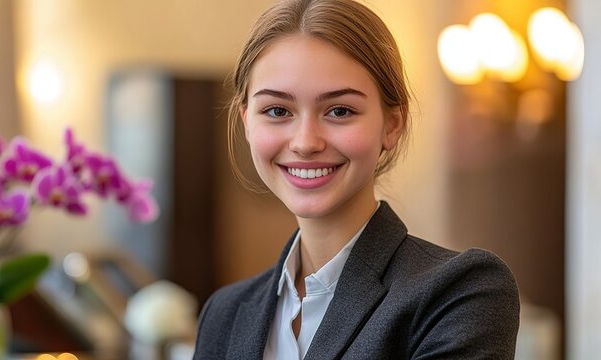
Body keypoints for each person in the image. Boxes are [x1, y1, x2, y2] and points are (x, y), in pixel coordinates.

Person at [192, 0, 520, 359]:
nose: (305, 142)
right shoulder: (224, 314)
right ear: (247, 123)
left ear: (392, 125)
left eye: (339, 111)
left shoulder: (459, 293)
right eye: (277, 111)